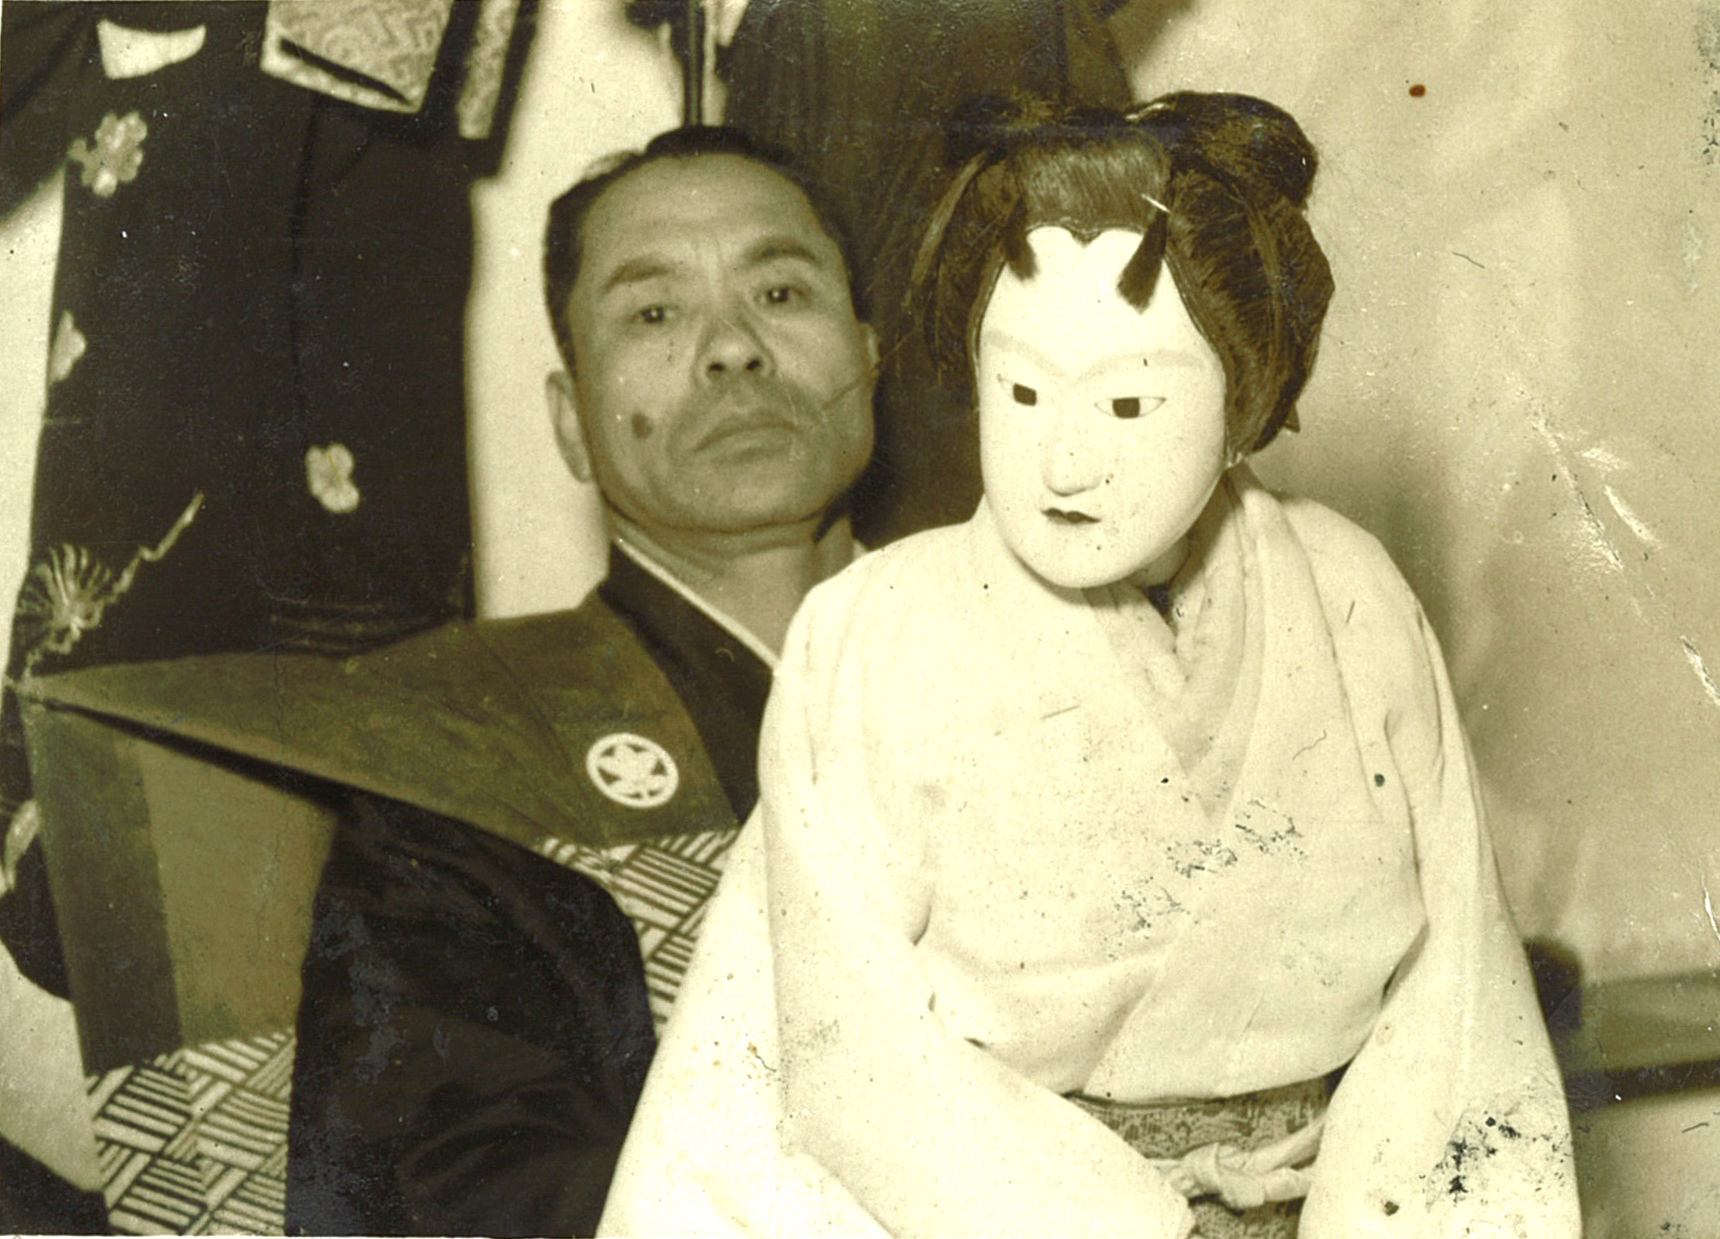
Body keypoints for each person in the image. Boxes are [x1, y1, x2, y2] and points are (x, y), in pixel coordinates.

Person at [601, 96, 1580, 1237]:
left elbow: (1459, 999)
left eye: (1127, 400)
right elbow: (847, 1048)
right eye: (1020, 391)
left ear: (1244, 405)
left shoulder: (1349, 590)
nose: (1063, 459)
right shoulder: (877, 628)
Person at [281, 125, 877, 1236]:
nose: (732, 349)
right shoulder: (464, 748)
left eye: (781, 293)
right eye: (653, 314)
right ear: (571, 423)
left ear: (870, 358)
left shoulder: (1052, 653)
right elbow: (455, 1188)